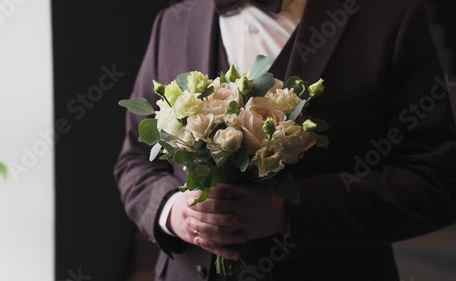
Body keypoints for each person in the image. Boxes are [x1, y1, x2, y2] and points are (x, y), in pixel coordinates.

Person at [114, 0, 456, 280]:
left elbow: (437, 179)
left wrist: (292, 212)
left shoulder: (389, 18)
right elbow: (134, 162)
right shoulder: (173, 22)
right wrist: (172, 212)